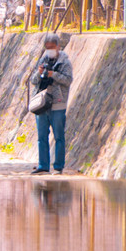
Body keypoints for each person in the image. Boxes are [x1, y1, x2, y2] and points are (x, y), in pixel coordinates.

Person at [30, 33, 73, 174]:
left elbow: (68, 80)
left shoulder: (64, 62)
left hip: (58, 103)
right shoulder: (42, 60)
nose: (49, 50)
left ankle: (58, 165)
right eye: (47, 47)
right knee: (42, 136)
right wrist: (40, 73)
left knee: (59, 135)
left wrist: (52, 74)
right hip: (42, 103)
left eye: (52, 47)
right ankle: (43, 165)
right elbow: (33, 81)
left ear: (58, 47)